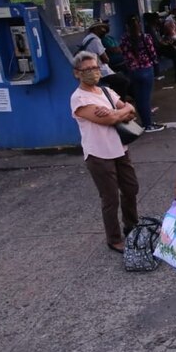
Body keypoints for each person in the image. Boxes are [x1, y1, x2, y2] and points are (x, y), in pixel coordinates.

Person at [69, 50, 140, 253]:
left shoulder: (107, 92)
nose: (94, 72)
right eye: (88, 69)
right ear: (77, 73)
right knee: (110, 198)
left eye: (95, 68)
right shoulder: (78, 98)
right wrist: (119, 113)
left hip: (120, 149)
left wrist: (116, 112)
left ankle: (132, 225)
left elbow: (131, 109)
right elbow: (107, 120)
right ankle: (114, 238)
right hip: (98, 154)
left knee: (131, 189)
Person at [119, 15, 164, 132]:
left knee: (139, 99)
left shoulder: (124, 39)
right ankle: (148, 125)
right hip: (146, 69)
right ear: (139, 25)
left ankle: (144, 123)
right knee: (146, 99)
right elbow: (153, 54)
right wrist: (156, 66)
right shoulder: (145, 37)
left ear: (126, 27)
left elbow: (124, 55)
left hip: (133, 71)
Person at [80, 21, 131, 100]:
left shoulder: (87, 38)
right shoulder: (96, 40)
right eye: (101, 27)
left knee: (118, 80)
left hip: (91, 68)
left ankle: (115, 100)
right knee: (124, 81)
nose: (103, 30)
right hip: (101, 71)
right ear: (96, 29)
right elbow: (106, 59)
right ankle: (119, 103)